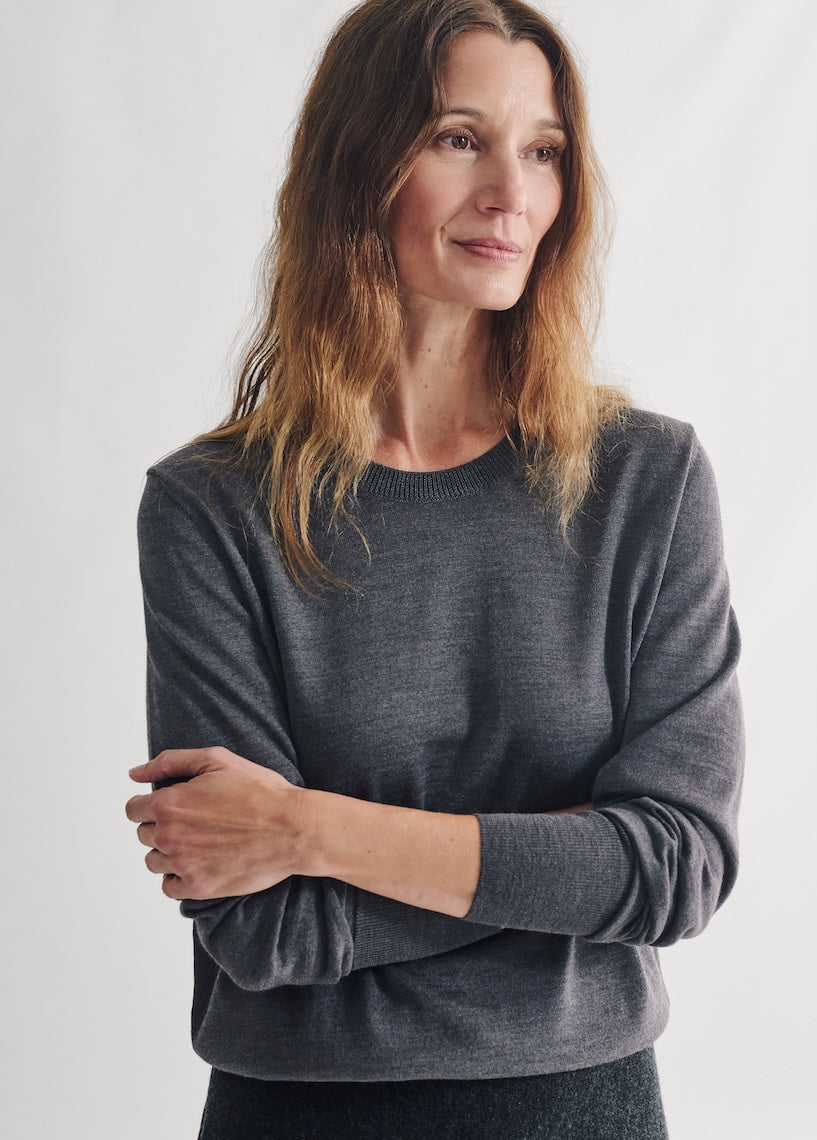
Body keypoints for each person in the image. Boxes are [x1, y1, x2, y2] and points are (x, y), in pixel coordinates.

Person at [126, 1, 743, 1136]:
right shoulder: (212, 510)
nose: (513, 190)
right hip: (298, 1115)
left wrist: (308, 829)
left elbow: (673, 869)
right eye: (461, 138)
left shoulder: (646, 486)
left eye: (544, 149)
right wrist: (562, 861)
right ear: (364, 162)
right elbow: (265, 931)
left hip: (580, 1110)